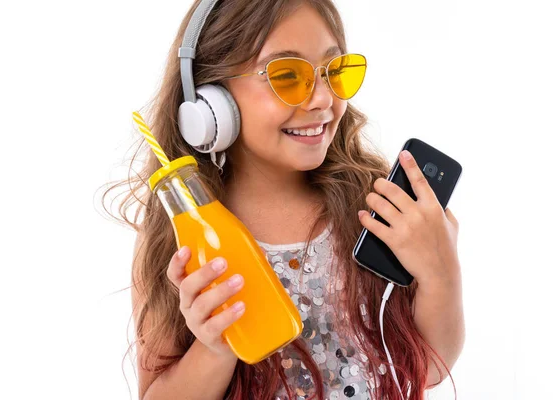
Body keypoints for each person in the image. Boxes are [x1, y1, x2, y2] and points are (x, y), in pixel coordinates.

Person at [104, 0, 465, 399]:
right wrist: (214, 347)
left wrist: (441, 276)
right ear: (210, 103)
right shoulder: (183, 239)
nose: (322, 100)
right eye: (287, 76)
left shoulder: (375, 207)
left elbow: (429, 368)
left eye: (334, 72)